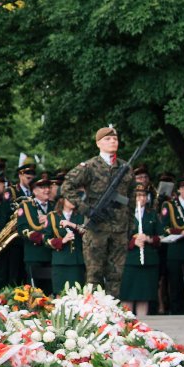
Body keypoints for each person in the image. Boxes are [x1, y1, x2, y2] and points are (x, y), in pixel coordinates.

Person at [62, 126, 132, 298]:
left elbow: (131, 196)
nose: (113, 142)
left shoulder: (125, 167)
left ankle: (113, 311)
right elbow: (67, 186)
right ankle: (94, 314)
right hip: (96, 228)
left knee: (116, 274)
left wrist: (131, 224)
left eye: (115, 139)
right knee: (94, 274)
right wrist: (84, 208)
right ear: (98, 143)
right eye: (108, 139)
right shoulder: (90, 166)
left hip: (119, 228)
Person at [159, 179, 184, 314]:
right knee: (175, 285)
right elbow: (164, 229)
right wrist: (181, 232)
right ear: (180, 189)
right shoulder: (169, 205)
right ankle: (176, 311)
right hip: (175, 251)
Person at [120, 187, 161, 315]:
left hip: (147, 261)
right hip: (129, 261)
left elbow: (161, 236)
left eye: (143, 195)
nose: (141, 199)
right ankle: (127, 327)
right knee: (127, 297)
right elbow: (117, 238)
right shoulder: (124, 215)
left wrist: (149, 239)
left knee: (144, 297)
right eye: (138, 196)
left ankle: (143, 327)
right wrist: (133, 242)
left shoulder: (152, 214)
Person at [16, 175, 58, 290]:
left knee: (51, 289)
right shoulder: (26, 206)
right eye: (42, 188)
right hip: (34, 254)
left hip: (51, 254)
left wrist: (48, 219)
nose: (47, 190)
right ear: (34, 191)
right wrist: (41, 237)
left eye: (48, 187)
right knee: (35, 291)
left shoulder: (55, 206)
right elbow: (22, 229)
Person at [48, 195, 87, 293]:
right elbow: (45, 238)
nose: (74, 201)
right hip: (60, 261)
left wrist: (72, 225)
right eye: (70, 198)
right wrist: (62, 241)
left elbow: (88, 232)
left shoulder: (81, 215)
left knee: (78, 293)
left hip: (76, 261)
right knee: (59, 293)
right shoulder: (52, 216)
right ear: (62, 200)